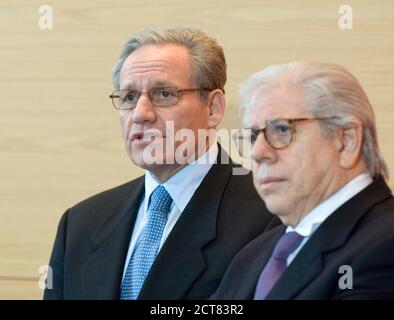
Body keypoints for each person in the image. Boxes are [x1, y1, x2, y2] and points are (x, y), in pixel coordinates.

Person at [44, 27, 277, 300]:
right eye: (129, 97)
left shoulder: (270, 216)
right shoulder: (80, 223)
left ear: (213, 107)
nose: (141, 114)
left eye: (164, 94)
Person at [213, 62, 394, 299]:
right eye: (253, 136)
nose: (257, 153)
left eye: (281, 130)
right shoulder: (253, 255)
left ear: (346, 140)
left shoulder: (385, 247)